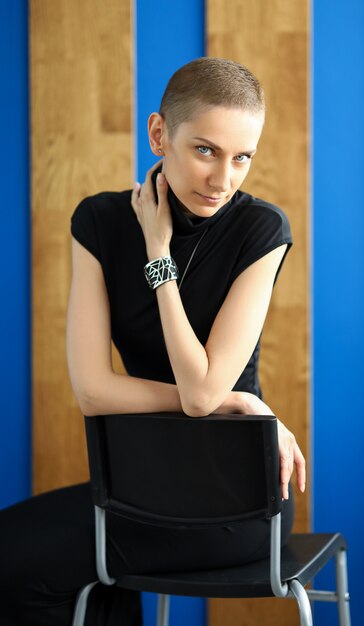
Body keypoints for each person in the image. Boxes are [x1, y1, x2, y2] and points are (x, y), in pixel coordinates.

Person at [0, 57, 305, 626]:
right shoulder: (98, 222)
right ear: (159, 133)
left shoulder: (262, 231)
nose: (223, 180)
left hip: (239, 506)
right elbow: (92, 391)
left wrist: (158, 257)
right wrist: (235, 400)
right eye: (206, 150)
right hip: (138, 490)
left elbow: (197, 395)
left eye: (242, 157)